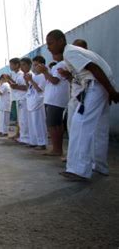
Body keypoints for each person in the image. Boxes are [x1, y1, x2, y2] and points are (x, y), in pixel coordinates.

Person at [46, 30, 119, 181]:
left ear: (60, 41)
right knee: (99, 128)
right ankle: (99, 166)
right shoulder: (72, 53)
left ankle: (78, 170)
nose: (49, 47)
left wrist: (111, 91)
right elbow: (88, 71)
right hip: (98, 86)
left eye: (50, 43)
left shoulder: (69, 52)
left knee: (80, 124)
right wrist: (109, 89)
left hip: (95, 86)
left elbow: (94, 68)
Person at [36, 54, 69, 157]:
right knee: (54, 123)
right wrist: (46, 72)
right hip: (52, 99)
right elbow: (50, 80)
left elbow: (55, 80)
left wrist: (45, 72)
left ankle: (57, 149)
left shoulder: (62, 64)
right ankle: (56, 148)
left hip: (56, 99)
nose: (51, 52)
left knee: (53, 124)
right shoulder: (57, 66)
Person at [24, 56, 48, 150]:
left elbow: (39, 89)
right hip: (31, 101)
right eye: (33, 65)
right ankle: (33, 141)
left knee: (39, 123)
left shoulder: (42, 76)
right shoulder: (34, 76)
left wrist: (30, 80)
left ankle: (42, 143)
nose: (33, 67)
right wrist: (27, 81)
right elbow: (29, 87)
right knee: (32, 123)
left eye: (36, 65)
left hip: (38, 102)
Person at [8, 58, 31, 144]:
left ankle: (25, 137)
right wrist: (10, 80)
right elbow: (17, 84)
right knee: (21, 119)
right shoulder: (19, 74)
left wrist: (14, 86)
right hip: (19, 98)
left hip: (24, 98)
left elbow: (26, 87)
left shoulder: (24, 74)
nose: (22, 67)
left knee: (24, 119)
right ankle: (22, 136)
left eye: (23, 65)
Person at [6, 58, 23, 140]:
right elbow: (14, 83)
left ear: (17, 65)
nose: (10, 66)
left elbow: (15, 85)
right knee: (17, 117)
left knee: (20, 117)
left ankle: (20, 134)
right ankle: (18, 133)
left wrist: (9, 80)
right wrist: (9, 79)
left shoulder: (21, 74)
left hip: (19, 97)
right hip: (14, 97)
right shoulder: (13, 73)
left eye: (11, 64)